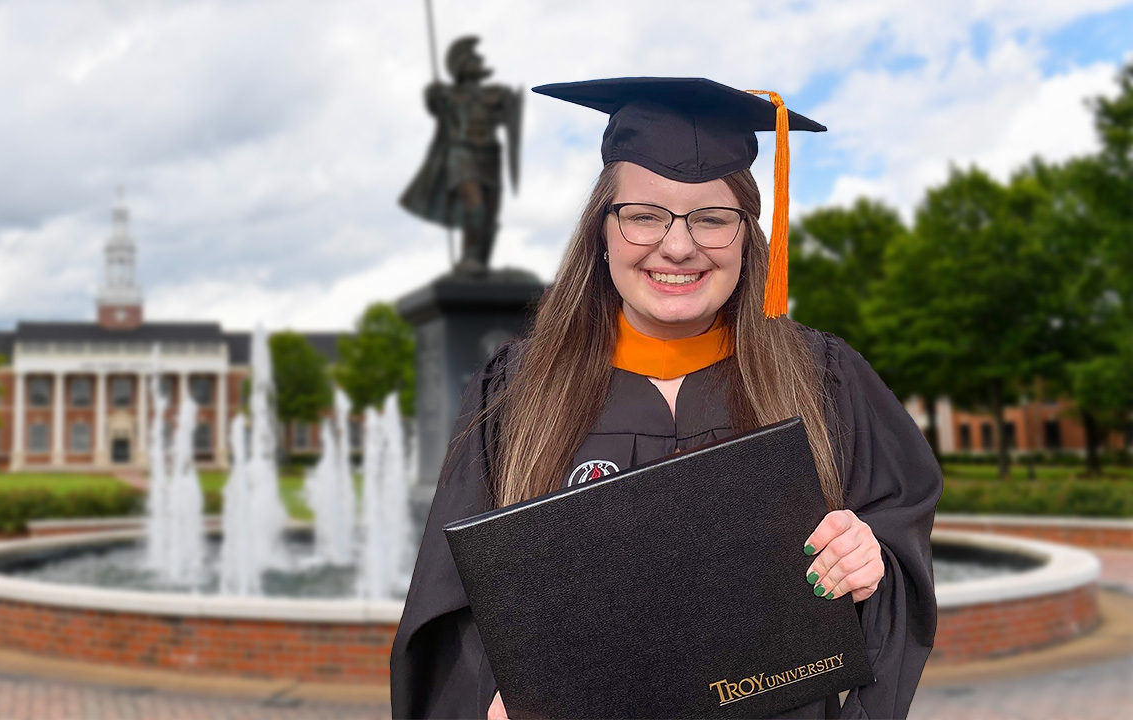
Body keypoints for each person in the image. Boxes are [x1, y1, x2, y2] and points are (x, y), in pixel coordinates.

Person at [390, 77, 941, 720]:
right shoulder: (516, 393)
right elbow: (449, 613)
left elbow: (899, 541)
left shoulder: (824, 379)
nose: (677, 246)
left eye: (712, 218)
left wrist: (868, 557)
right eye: (644, 215)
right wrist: (488, 704)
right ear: (602, 231)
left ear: (748, 236)